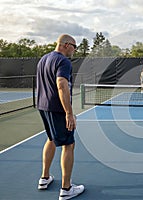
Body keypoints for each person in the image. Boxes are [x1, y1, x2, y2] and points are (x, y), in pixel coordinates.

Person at [36, 34, 84, 199]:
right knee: (68, 145)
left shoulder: (43, 59)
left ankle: (44, 178)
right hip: (57, 109)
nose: (75, 50)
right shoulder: (64, 61)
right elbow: (62, 85)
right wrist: (69, 113)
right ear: (65, 45)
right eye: (74, 46)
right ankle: (66, 188)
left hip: (43, 107)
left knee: (50, 138)